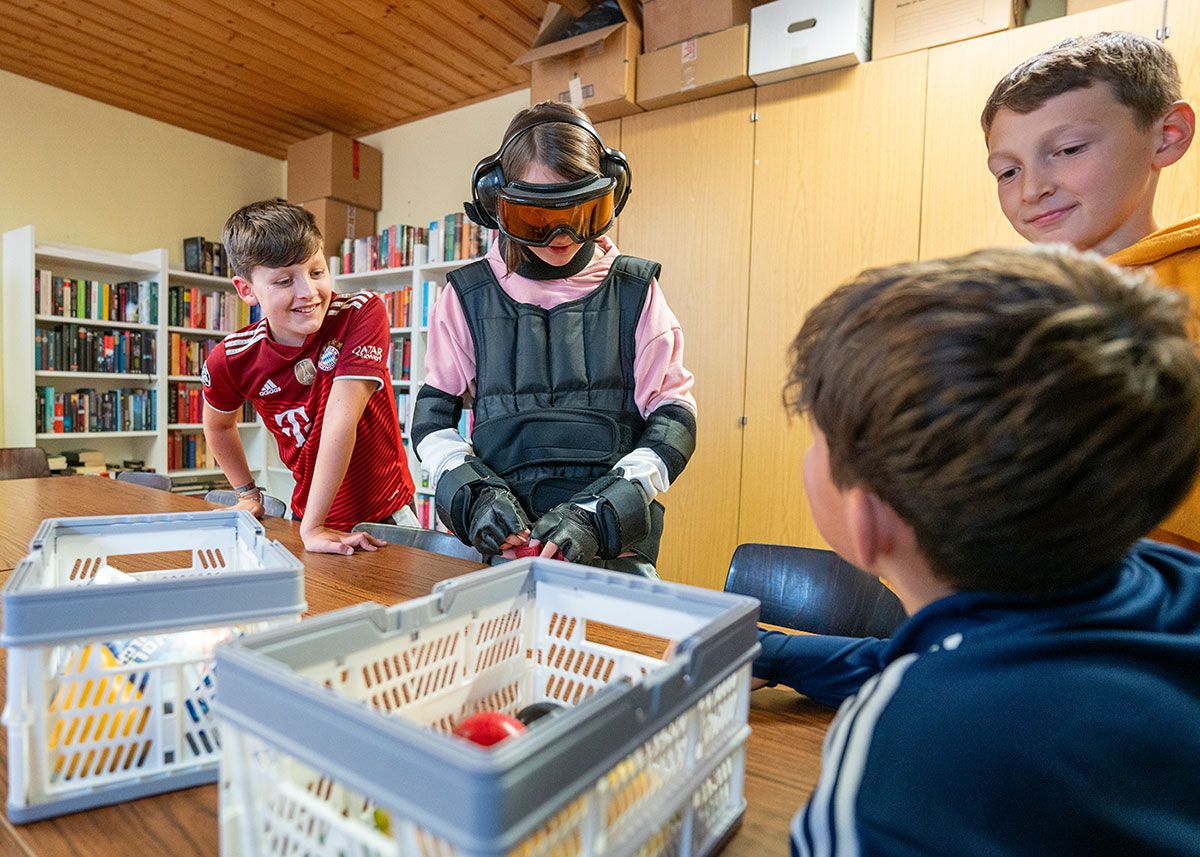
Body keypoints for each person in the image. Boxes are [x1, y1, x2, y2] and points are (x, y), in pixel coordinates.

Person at [754, 247, 1200, 856]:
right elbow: (970, 659)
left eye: (815, 439)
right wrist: (778, 653)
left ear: (866, 518)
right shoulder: (1170, 581)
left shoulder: (904, 747)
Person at [411, 101, 697, 577]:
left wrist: (599, 514)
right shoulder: (464, 297)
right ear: (498, 204)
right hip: (509, 553)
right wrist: (474, 496)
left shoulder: (636, 291)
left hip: (613, 558)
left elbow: (675, 420)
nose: (561, 235)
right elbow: (432, 420)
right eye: (537, 217)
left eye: (581, 211)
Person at [982, 31, 1200, 544]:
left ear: (1167, 135)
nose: (1032, 189)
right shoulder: (999, 308)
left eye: (1068, 149)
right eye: (1007, 171)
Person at [202, 199, 415, 555]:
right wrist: (248, 493)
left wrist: (313, 526)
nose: (309, 292)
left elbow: (339, 421)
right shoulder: (232, 357)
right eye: (285, 280)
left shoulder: (360, 313)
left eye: (316, 272)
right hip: (307, 519)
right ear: (246, 290)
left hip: (385, 518)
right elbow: (218, 425)